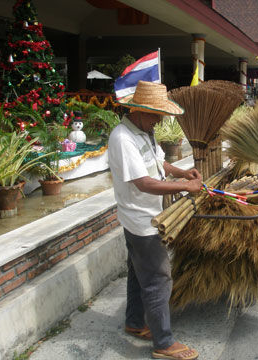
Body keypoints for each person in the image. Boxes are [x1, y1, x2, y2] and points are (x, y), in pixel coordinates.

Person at [108, 80, 201, 360]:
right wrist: (185, 187)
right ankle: (163, 342)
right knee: (159, 278)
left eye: (161, 116)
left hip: (148, 215)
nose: (159, 121)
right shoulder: (122, 138)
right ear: (138, 110)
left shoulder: (144, 131)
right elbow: (144, 183)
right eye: (155, 115)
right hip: (141, 221)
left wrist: (183, 173)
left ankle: (135, 322)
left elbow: (159, 164)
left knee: (139, 273)